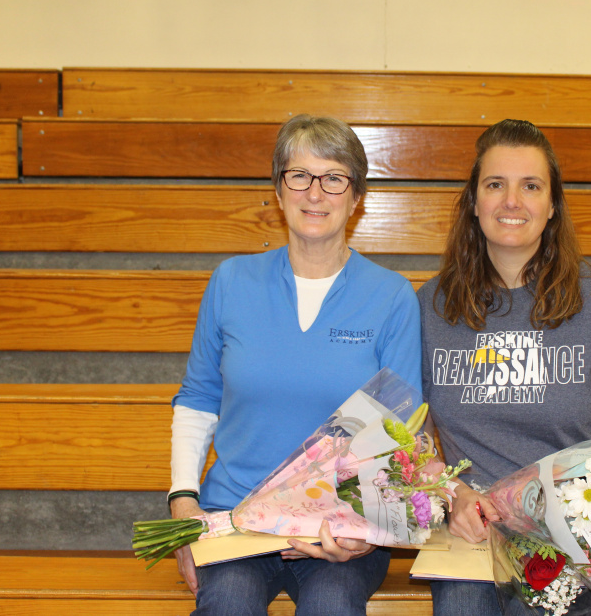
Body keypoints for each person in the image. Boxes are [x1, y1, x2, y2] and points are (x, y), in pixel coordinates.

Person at [168, 114, 422, 616]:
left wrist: (364, 536)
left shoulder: (391, 296)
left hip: (340, 531)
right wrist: (182, 504)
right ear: (279, 191)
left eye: (334, 178)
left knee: (332, 607)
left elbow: (401, 433)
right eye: (299, 175)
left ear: (356, 199)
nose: (315, 193)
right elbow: (198, 399)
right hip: (237, 518)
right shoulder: (230, 281)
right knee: (227, 605)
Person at [417, 119, 591, 616]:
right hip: (473, 534)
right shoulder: (430, 307)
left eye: (530, 186)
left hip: (571, 540)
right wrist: (454, 494)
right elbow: (415, 441)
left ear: (552, 206)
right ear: (474, 202)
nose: (512, 201)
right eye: (495, 185)